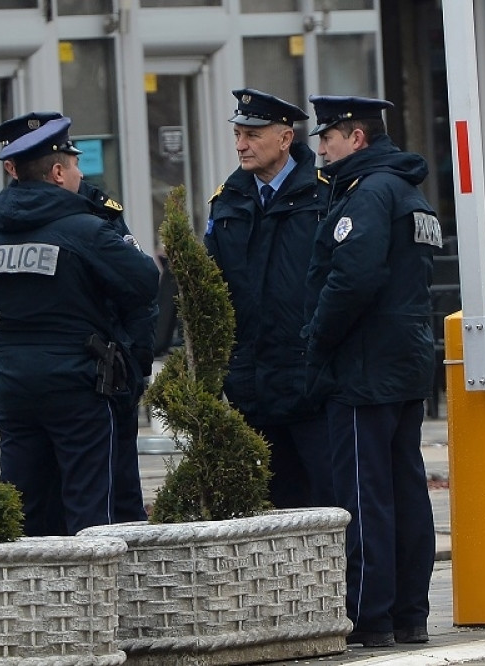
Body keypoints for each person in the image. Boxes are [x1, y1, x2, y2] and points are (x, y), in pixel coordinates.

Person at [302, 95, 439, 647]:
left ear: (356, 137)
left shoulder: (369, 193)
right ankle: (410, 612)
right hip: (404, 359)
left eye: (328, 137)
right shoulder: (409, 192)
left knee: (365, 493)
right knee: (407, 489)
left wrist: (316, 340)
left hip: (363, 365)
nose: (322, 147)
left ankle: (368, 614)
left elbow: (352, 278)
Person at [0, 116, 159, 536]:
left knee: (24, 508)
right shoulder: (85, 229)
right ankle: (92, 600)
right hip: (77, 384)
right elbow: (145, 281)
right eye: (75, 166)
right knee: (90, 511)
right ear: (58, 173)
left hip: (11, 385)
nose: (81, 174)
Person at [204, 88, 332, 509]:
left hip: (311, 384)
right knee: (272, 510)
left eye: (252, 135)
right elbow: (213, 290)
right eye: (238, 134)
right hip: (251, 385)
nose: (241, 145)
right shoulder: (227, 201)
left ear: (285, 137)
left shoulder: (325, 195)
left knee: (329, 505)